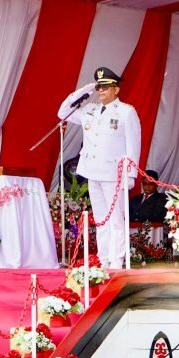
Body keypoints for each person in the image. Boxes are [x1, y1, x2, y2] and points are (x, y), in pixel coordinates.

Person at [58, 67, 141, 268]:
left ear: (116, 90)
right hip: (92, 171)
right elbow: (62, 112)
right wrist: (84, 91)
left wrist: (130, 175)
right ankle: (104, 259)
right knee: (101, 218)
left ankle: (117, 259)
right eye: (99, 87)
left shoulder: (126, 112)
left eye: (105, 87)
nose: (101, 91)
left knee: (115, 219)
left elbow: (133, 145)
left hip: (114, 173)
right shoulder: (90, 110)